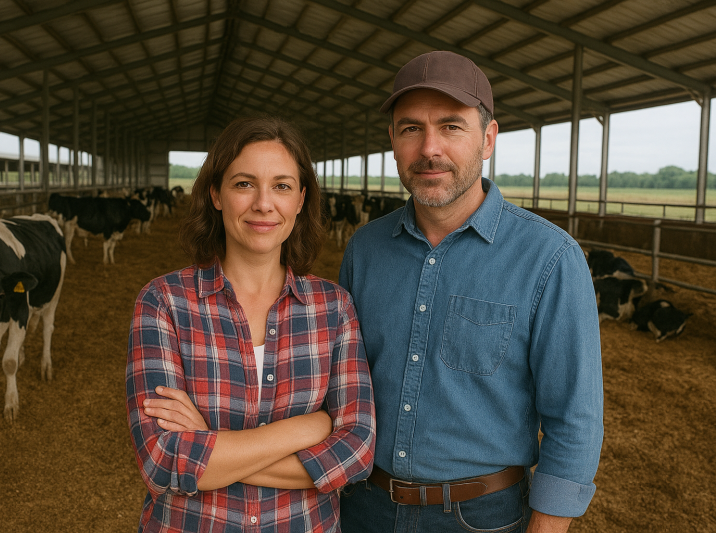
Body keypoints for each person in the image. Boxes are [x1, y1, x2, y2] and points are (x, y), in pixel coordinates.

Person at [338, 51, 603, 533]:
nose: (429, 148)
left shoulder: (549, 258)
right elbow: (333, 382)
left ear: (488, 138)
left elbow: (573, 418)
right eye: (411, 128)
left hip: (480, 516)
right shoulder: (365, 250)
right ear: (393, 141)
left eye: (452, 127)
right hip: (361, 505)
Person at [126, 116, 375, 533]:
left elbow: (356, 452)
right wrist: (309, 427)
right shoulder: (163, 302)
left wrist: (210, 442)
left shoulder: (333, 308)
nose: (263, 203)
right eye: (244, 184)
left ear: (300, 199)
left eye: (281, 185)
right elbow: (163, 460)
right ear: (216, 194)